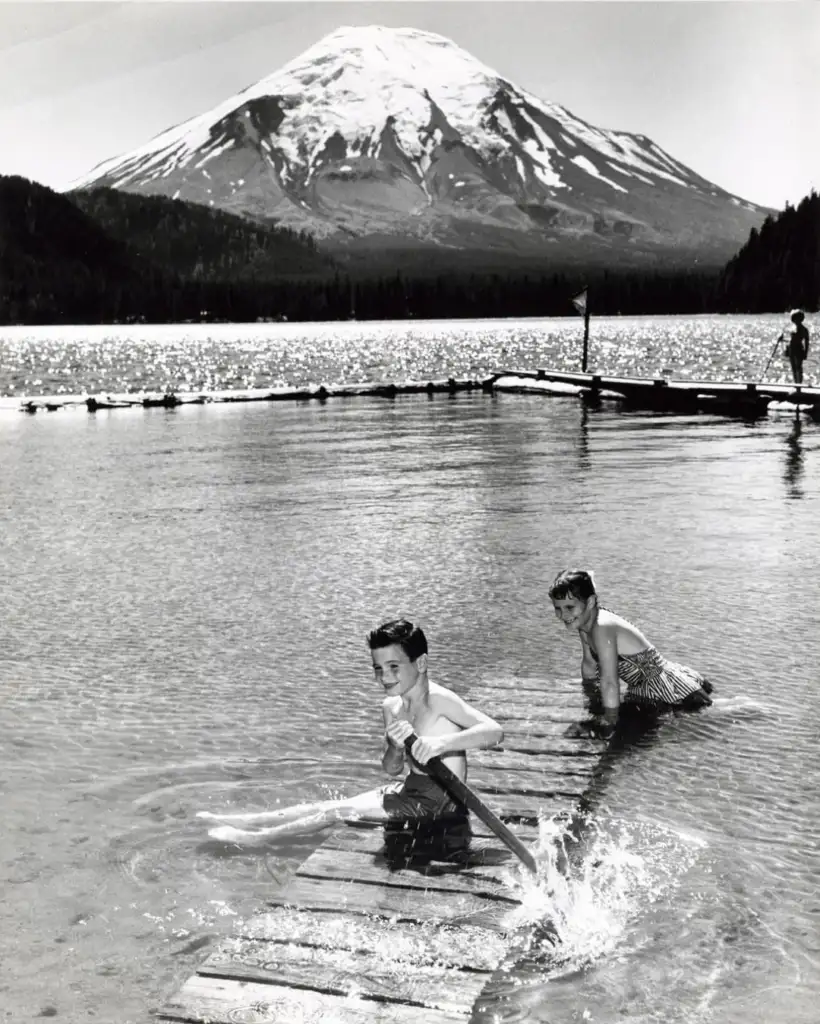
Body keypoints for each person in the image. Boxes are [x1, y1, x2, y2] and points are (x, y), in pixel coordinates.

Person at [198, 618, 503, 842]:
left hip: (440, 804)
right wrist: (395, 748)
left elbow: (493, 731)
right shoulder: (392, 707)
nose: (385, 676)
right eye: (378, 669)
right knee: (327, 805)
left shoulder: (439, 700)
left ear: (420, 663)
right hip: (409, 788)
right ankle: (249, 821)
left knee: (336, 813)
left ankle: (259, 838)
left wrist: (442, 744)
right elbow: (392, 769)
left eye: (394, 667)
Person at [549, 569, 713, 739]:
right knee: (601, 717)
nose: (563, 615)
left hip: (661, 688)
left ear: (589, 602)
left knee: (624, 733)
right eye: (558, 608)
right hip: (643, 686)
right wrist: (589, 695)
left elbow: (610, 681)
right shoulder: (584, 623)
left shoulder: (602, 627)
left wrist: (610, 719)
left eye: (569, 607)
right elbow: (589, 663)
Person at [779, 309, 810, 385]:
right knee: (793, 368)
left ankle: (799, 384)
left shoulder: (804, 330)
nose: (796, 320)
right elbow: (791, 340)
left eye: (797, 318)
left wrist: (805, 353)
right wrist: (782, 339)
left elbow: (806, 342)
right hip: (791, 349)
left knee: (798, 367)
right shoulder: (792, 328)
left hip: (798, 349)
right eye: (794, 319)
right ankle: (796, 383)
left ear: (801, 319)